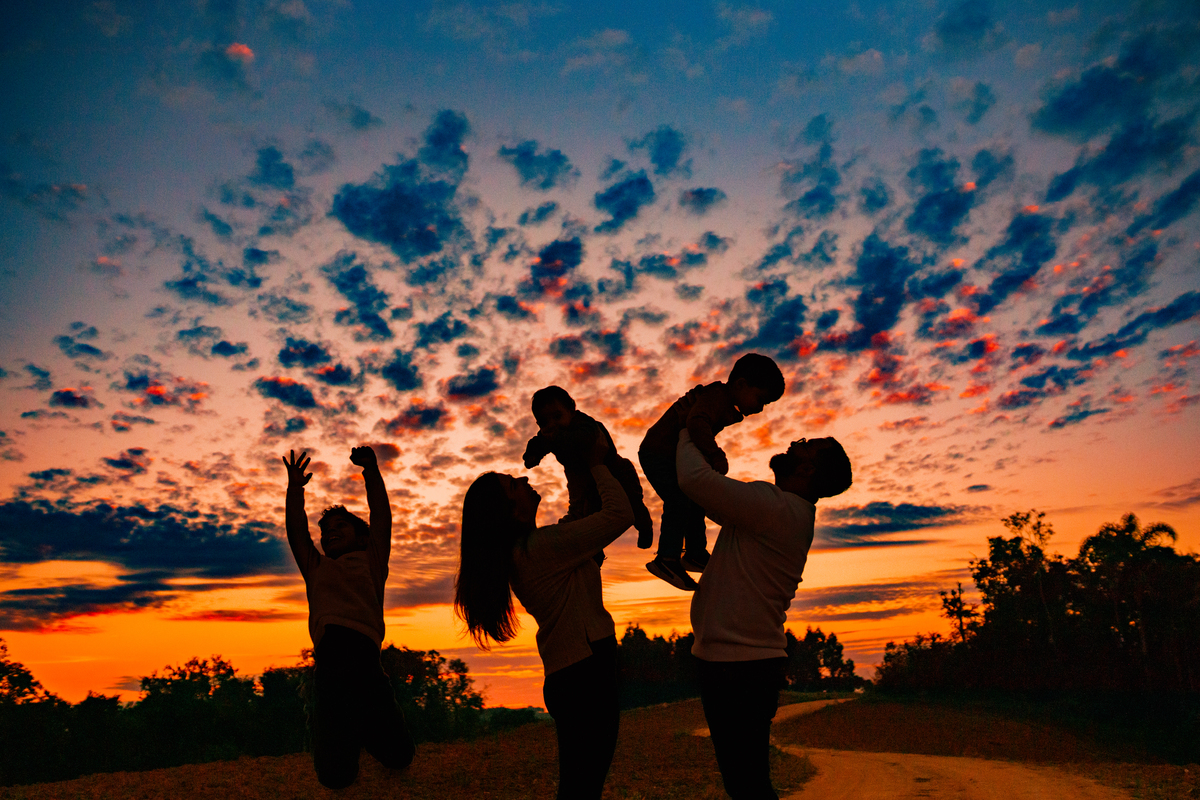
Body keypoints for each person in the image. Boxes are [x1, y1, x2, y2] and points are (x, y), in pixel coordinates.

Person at [455, 431, 634, 800]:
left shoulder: (534, 549)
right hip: (586, 672)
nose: (522, 480)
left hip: (573, 673)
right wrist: (597, 463)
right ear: (510, 509)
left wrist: (575, 466)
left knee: (579, 788)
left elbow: (577, 520)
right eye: (512, 485)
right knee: (582, 789)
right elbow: (620, 514)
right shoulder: (540, 549)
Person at [679, 429, 852, 800]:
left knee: (747, 785)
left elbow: (694, 480)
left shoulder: (774, 506)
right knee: (746, 783)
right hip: (741, 665)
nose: (796, 443)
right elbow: (712, 494)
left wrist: (688, 428)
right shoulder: (781, 510)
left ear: (807, 469)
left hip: (739, 668)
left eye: (807, 445)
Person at [282, 446, 415, 790]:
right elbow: (297, 531)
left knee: (400, 758)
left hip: (368, 668)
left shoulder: (372, 560)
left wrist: (370, 470)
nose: (330, 532)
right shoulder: (316, 567)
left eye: (340, 526)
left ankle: (364, 730)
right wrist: (295, 489)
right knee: (335, 778)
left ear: (362, 536)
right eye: (325, 530)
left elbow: (382, 515)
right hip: (330, 672)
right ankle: (341, 732)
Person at [640, 352, 785, 591]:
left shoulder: (722, 401)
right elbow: (696, 422)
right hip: (658, 452)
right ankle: (666, 559)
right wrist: (715, 455)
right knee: (679, 501)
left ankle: (695, 552)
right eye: (761, 400)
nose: (760, 409)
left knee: (695, 500)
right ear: (741, 384)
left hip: (669, 454)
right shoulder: (716, 397)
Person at [523, 385, 655, 560]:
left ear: (571, 410)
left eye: (557, 416)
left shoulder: (584, 424)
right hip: (585, 482)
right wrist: (532, 455)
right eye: (544, 422)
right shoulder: (547, 435)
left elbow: (585, 439)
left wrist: (554, 440)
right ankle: (594, 554)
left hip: (617, 472)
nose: (552, 425)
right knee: (587, 518)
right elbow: (536, 443)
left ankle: (645, 526)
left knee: (632, 503)